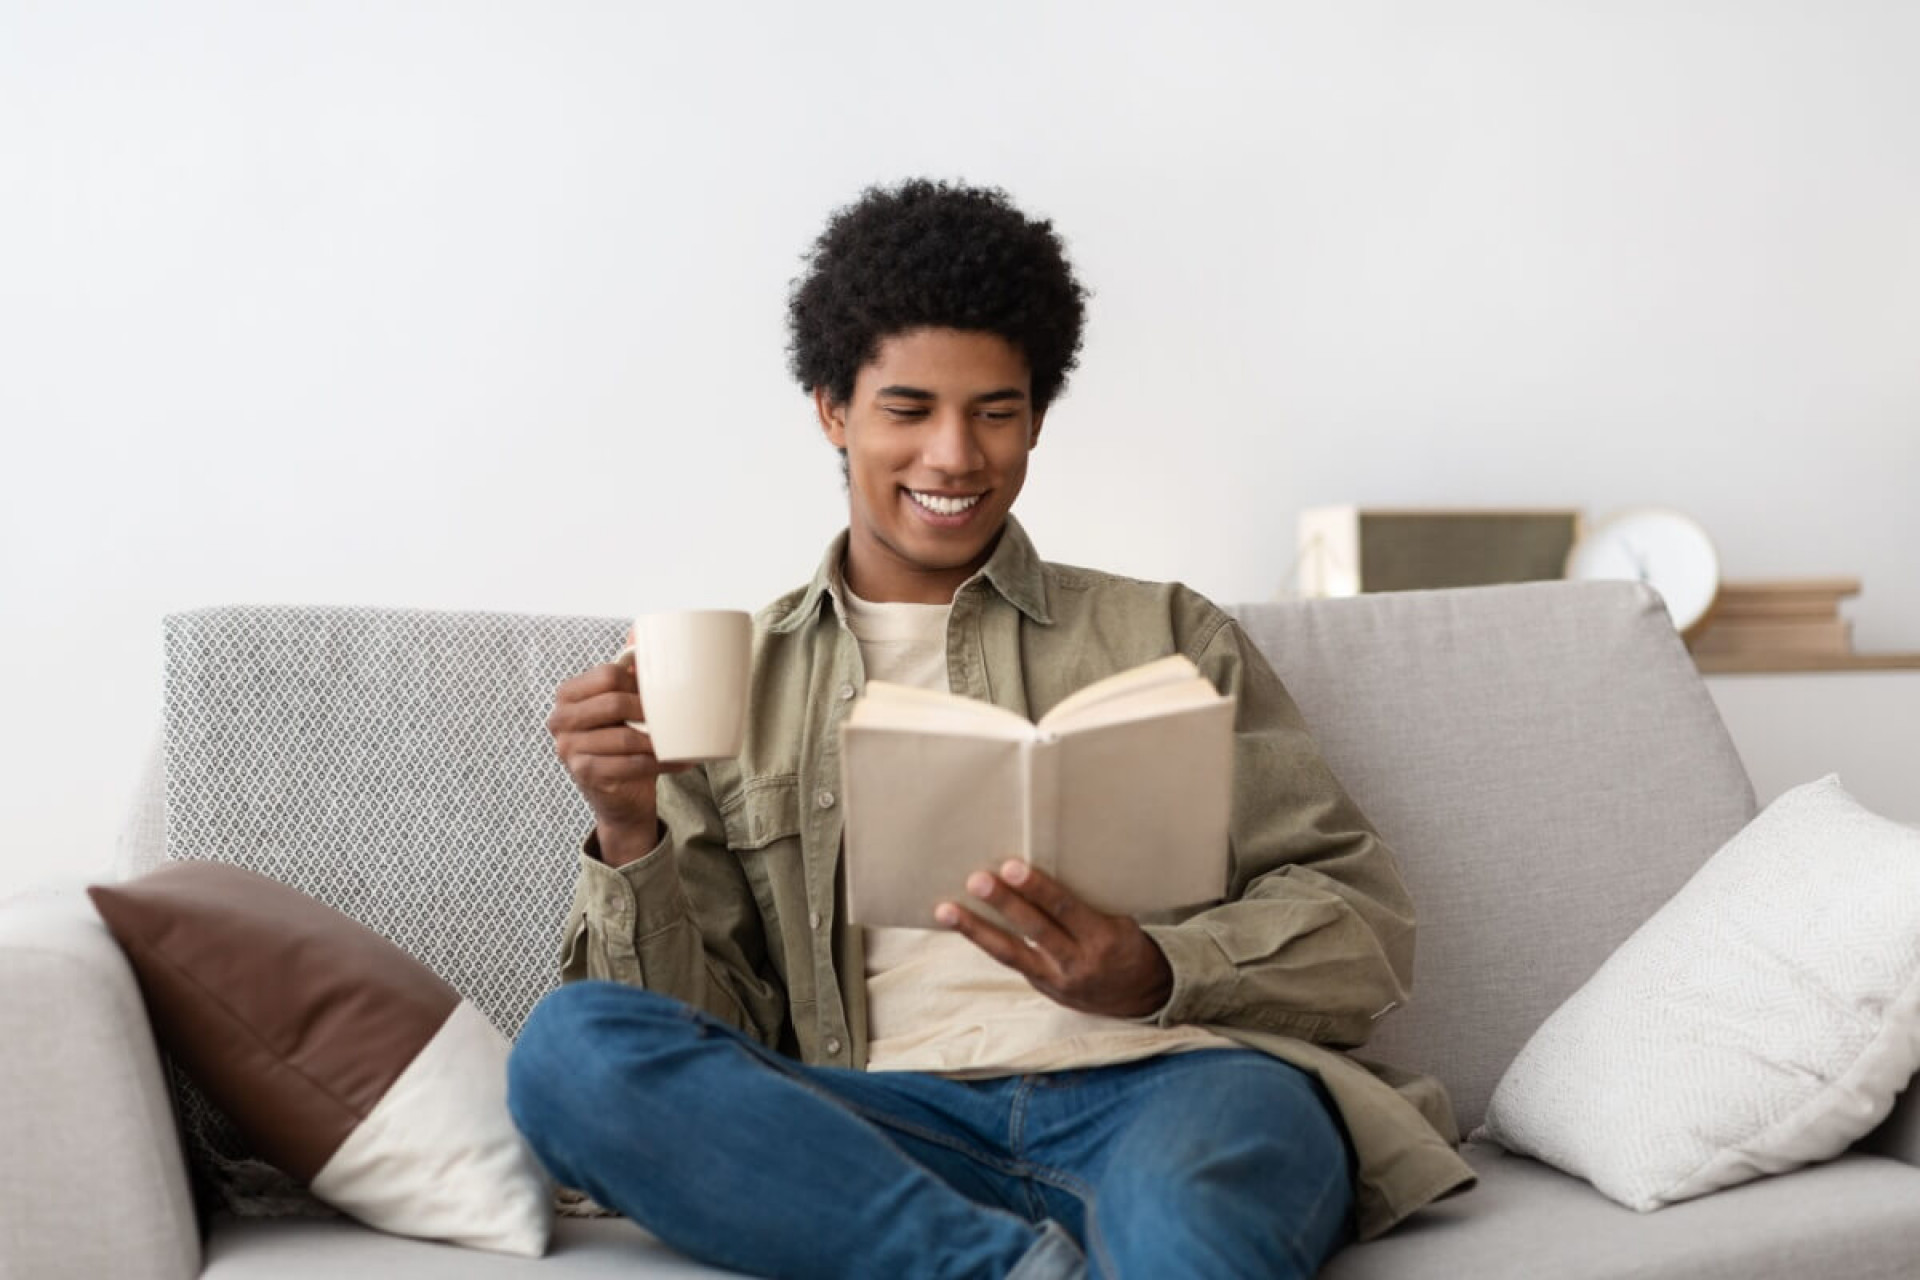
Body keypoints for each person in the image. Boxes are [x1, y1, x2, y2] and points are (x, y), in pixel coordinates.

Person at [507, 179, 1474, 1279]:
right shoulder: (739, 683)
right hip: (881, 1123)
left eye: (996, 411)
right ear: (833, 409)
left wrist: (1155, 966)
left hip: (1175, 1087)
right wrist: (631, 833)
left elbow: (1361, 921)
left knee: (1195, 1226)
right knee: (568, 1049)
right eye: (909, 409)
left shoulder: (1164, 630)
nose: (956, 456)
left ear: (1037, 417)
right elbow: (696, 1032)